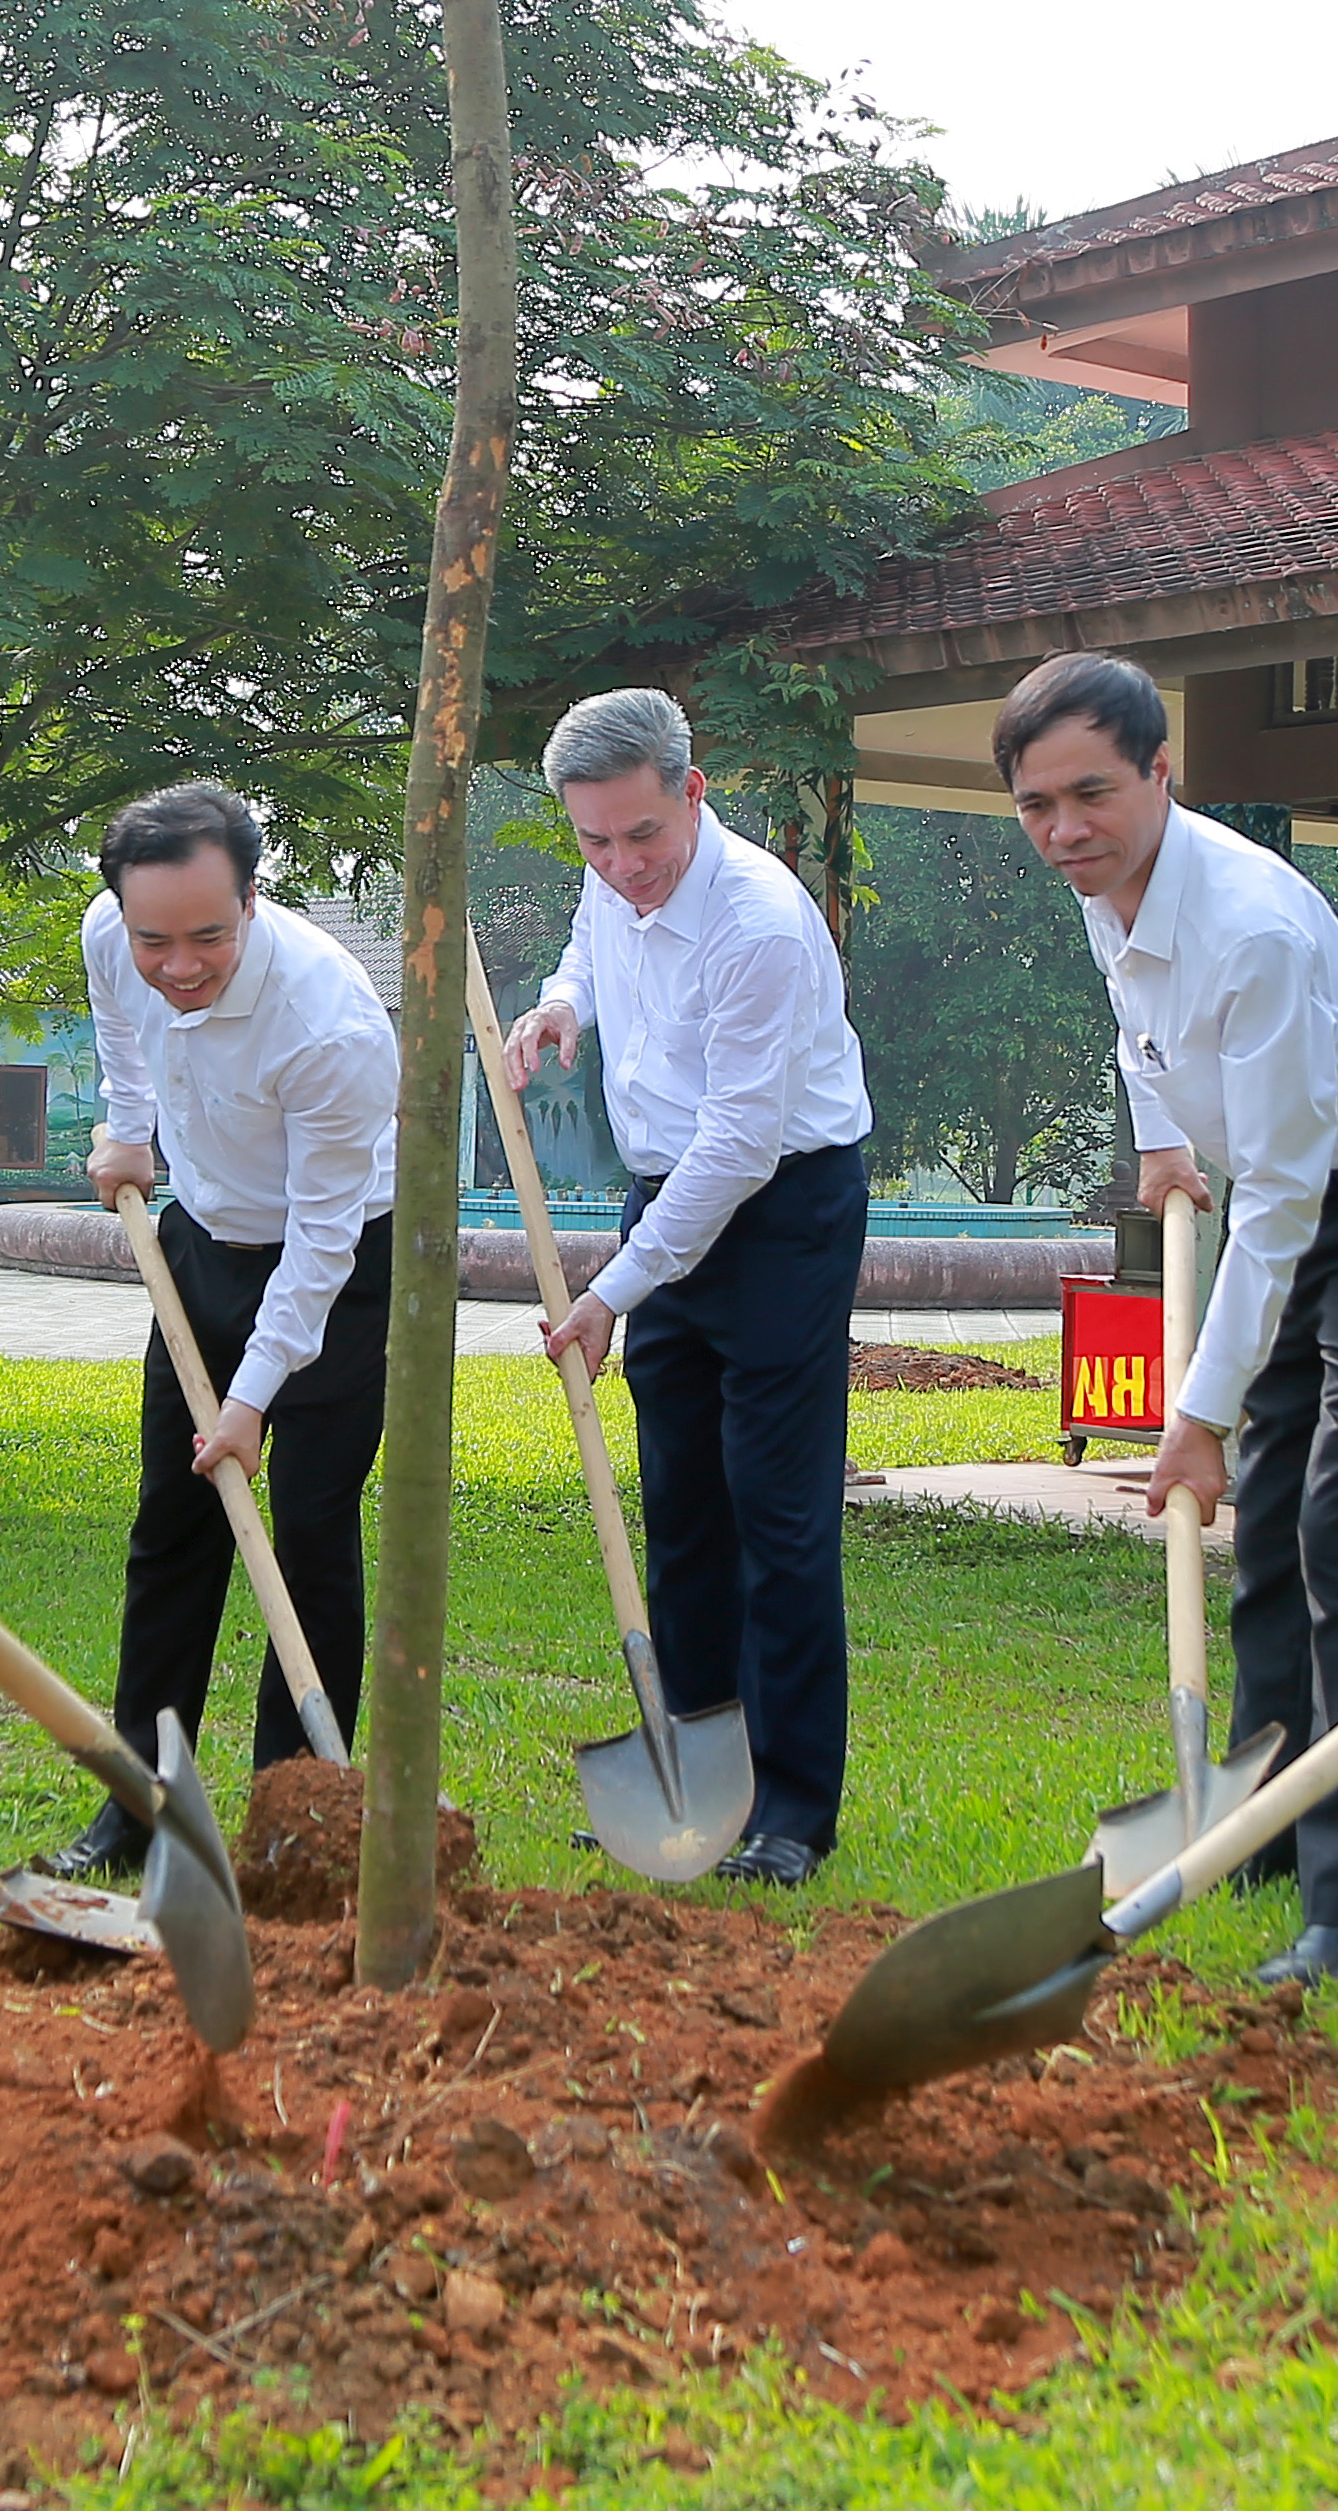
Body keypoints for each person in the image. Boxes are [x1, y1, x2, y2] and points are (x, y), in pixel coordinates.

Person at [992, 654, 1338, 1984]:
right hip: (1306, 1201)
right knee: (1269, 1532)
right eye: (1036, 807)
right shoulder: (1108, 887)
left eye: (1092, 794)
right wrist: (1163, 1142)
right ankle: (1262, 1829)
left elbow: (1280, 1193)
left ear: (1165, 775)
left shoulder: (1252, 929)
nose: (1064, 831)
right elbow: (1137, 1029)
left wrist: (1198, 1414)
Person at [488, 690, 874, 1885]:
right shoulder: (610, 878)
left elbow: (739, 1148)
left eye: (641, 837)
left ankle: (792, 1813)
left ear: (692, 792)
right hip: (665, 1199)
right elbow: (587, 942)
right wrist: (562, 1002)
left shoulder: (759, 923)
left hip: (780, 1211)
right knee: (684, 1508)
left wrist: (616, 1291)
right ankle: (697, 1785)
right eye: (593, 842)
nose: (621, 866)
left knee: (780, 1513)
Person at [39, 782, 397, 1878]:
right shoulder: (115, 933)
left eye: (207, 936)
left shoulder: (329, 1027)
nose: (178, 965)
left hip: (332, 1272)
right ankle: (140, 1803)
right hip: (196, 1250)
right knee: (172, 1533)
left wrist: (248, 1404)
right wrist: (128, 1131)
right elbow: (121, 1028)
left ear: (255, 895)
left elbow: (322, 1246)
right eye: (157, 940)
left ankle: (292, 1819)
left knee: (309, 1541)